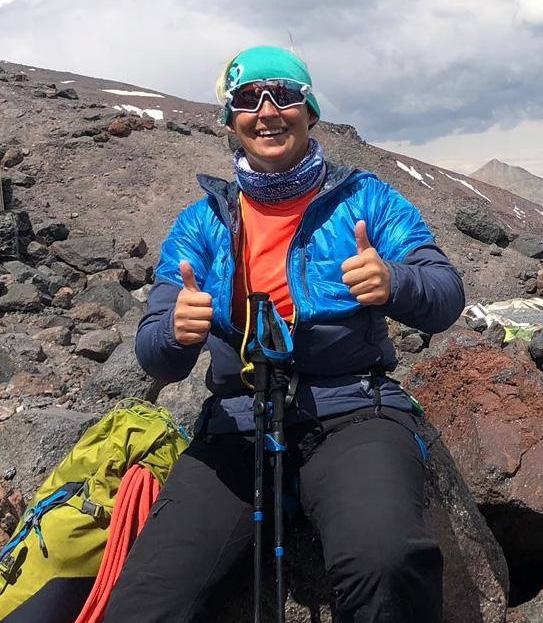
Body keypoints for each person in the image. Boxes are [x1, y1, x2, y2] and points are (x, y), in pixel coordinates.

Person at [104, 45, 465, 623]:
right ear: (231, 120)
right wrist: (175, 331)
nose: (267, 111)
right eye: (249, 99)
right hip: (237, 426)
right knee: (143, 599)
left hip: (353, 410)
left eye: (285, 95)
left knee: (386, 562)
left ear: (309, 110)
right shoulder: (201, 222)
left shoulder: (367, 200)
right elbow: (156, 357)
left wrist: (394, 281)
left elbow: (445, 295)